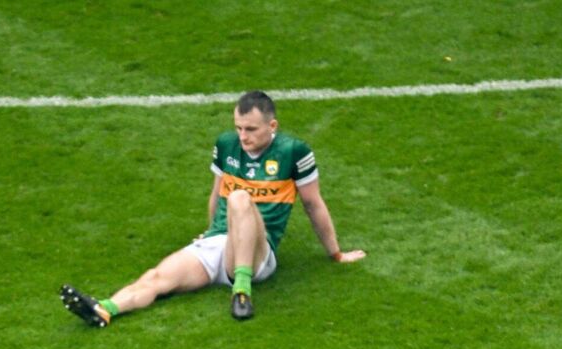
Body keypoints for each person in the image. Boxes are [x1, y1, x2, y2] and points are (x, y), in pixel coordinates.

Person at [61, 89, 364, 326]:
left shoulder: (294, 151)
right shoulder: (226, 145)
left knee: (240, 198)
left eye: (251, 129)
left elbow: (313, 203)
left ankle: (242, 291)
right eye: (238, 128)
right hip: (219, 243)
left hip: (259, 253)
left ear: (272, 126)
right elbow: (215, 193)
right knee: (157, 277)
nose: (243, 136)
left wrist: (335, 253)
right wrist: (209, 233)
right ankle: (105, 309)